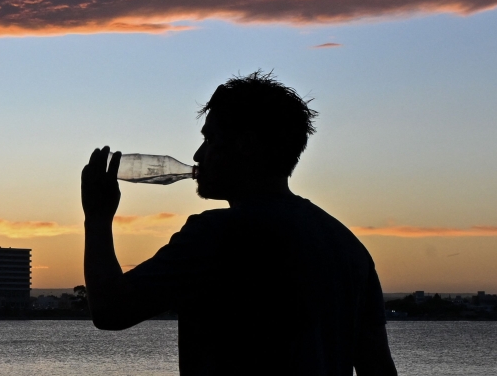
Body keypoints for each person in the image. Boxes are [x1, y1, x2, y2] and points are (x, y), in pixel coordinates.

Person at [81, 71, 397, 375]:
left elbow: (111, 310)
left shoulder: (217, 235)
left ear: (244, 145)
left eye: (210, 139)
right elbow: (378, 367)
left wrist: (97, 218)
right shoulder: (347, 248)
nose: (198, 154)